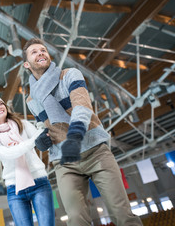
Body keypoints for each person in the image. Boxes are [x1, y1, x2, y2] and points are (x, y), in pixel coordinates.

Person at [23, 38, 143, 226]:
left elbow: (82, 107)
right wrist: (41, 141)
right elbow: (41, 125)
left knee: (122, 214)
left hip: (96, 153)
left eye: (43, 50)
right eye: (34, 52)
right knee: (76, 220)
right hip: (65, 163)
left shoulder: (70, 74)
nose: (40, 53)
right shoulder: (31, 99)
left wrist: (74, 135)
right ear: (26, 64)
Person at [0, 95, 55, 226]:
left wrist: (42, 134)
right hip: (15, 190)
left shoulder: (23, 124)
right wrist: (33, 141)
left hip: (40, 183)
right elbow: (10, 154)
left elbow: (40, 135)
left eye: (1, 103)